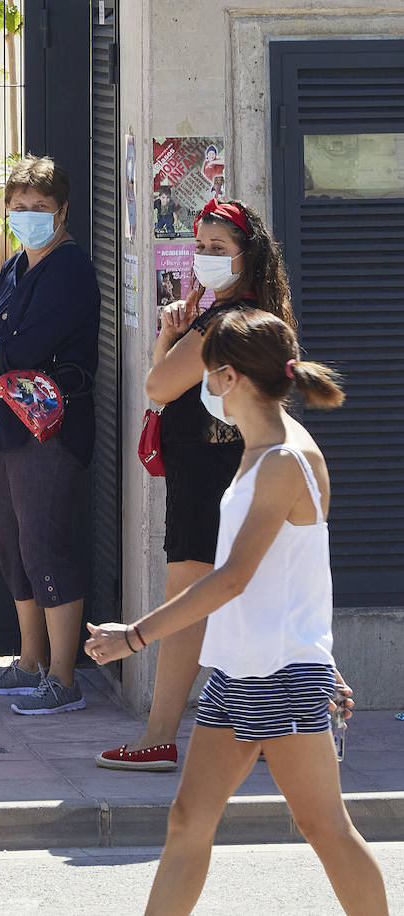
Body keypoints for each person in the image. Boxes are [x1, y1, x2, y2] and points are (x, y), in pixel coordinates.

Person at [85, 311, 387, 916]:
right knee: (187, 822)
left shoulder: (283, 460)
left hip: (281, 677)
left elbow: (233, 579)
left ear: (228, 377)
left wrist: (136, 635)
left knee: (326, 830)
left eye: (204, 372)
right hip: (238, 673)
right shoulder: (260, 451)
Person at [97, 198, 297, 771]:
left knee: (185, 606)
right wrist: (171, 332)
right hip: (239, 469)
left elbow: (158, 387)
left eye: (217, 249)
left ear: (246, 256)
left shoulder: (220, 326)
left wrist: (171, 337)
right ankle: (268, 729)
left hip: (205, 476)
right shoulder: (262, 318)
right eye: (200, 247)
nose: (205, 258)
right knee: (247, 599)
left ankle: (160, 735)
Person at [0, 155, 100, 715]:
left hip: (50, 430)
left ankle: (64, 679)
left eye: (40, 208)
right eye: (19, 208)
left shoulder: (69, 269)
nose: (28, 216)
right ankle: (29, 664)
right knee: (8, 542)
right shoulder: (14, 266)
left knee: (45, 542)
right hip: (2, 423)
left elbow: (17, 349)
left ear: (63, 210)